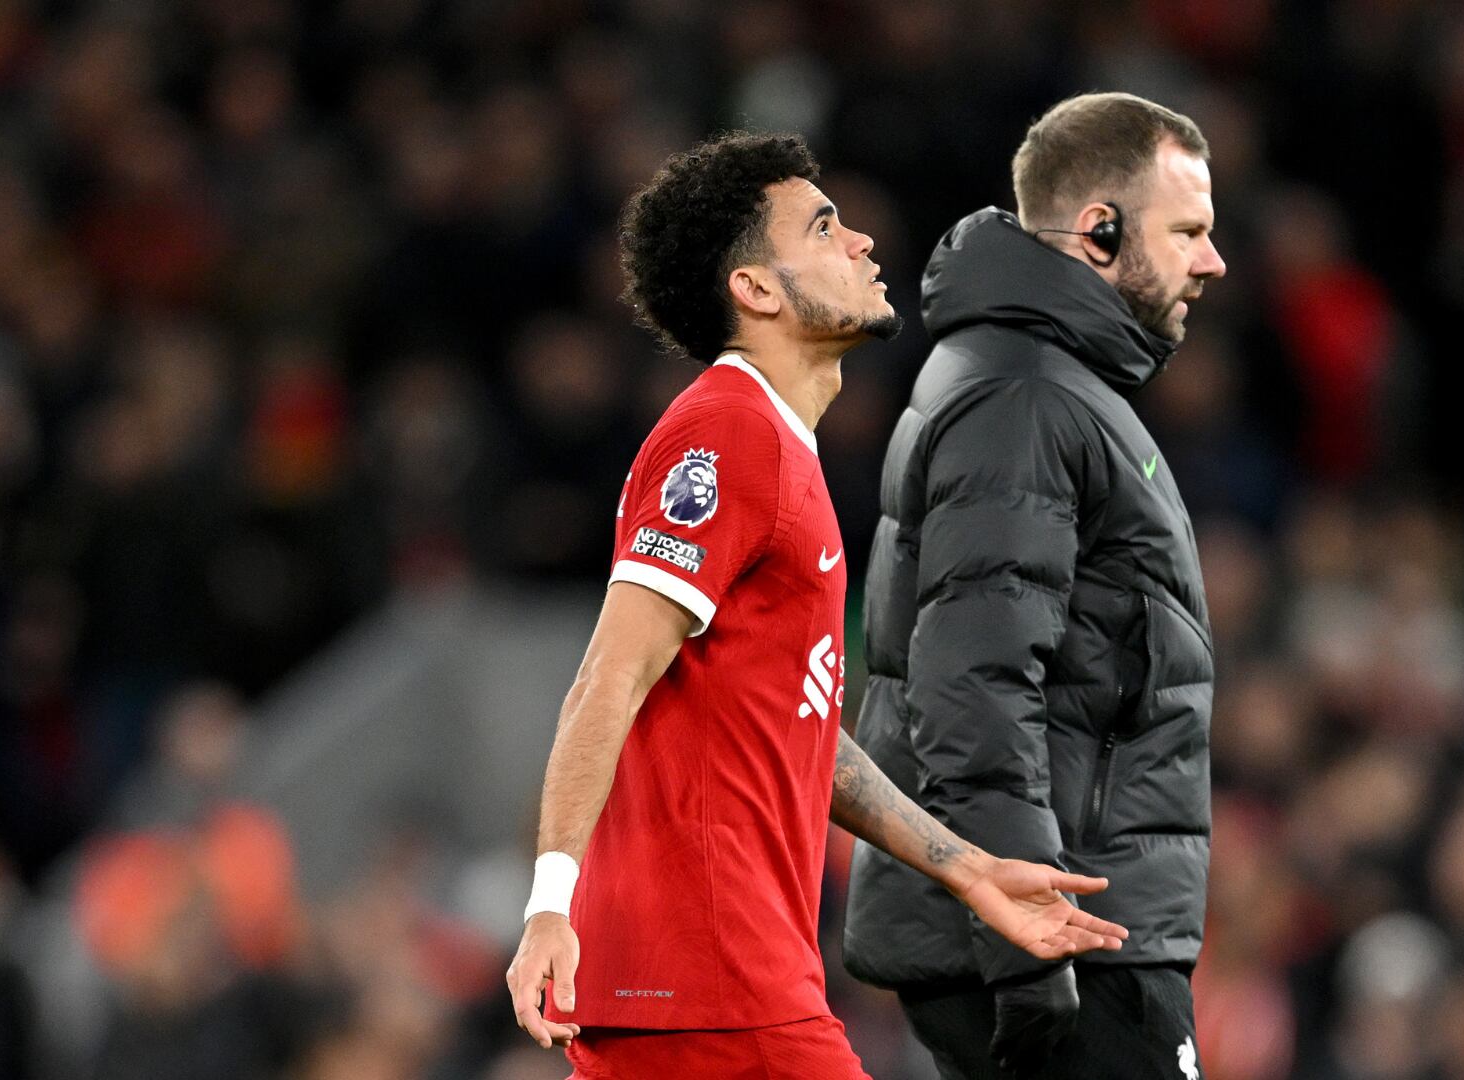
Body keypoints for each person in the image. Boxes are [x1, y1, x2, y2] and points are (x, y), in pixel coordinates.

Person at [503, 131, 1131, 1080]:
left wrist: (965, 869)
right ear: (754, 289)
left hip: (721, 986)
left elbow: (801, 730)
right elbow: (612, 670)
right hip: (711, 982)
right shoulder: (726, 433)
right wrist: (549, 901)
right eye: (826, 225)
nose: (863, 242)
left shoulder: (782, 449)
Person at [841, 92, 1228, 1079]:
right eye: (1188, 231)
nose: (1213, 261)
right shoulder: (1024, 396)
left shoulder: (1046, 385)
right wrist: (1031, 950)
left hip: (1069, 937)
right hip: (1057, 945)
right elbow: (972, 686)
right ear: (1099, 230)